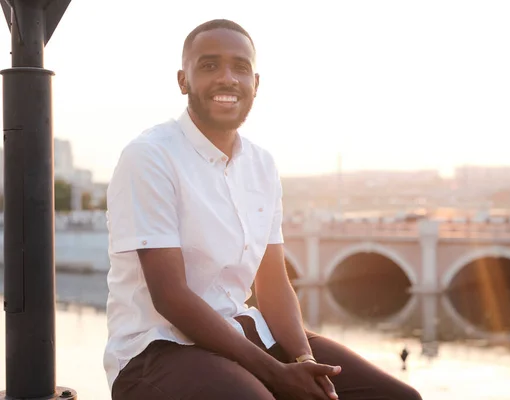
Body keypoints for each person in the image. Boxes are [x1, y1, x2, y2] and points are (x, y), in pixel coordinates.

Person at [104, 18, 423, 400]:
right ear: (182, 80)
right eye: (209, 65)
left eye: (240, 67)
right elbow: (169, 295)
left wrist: (303, 360)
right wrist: (275, 373)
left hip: (241, 331)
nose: (227, 78)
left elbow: (273, 285)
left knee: (397, 398)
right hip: (155, 350)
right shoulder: (150, 156)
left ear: (256, 84)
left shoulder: (262, 165)